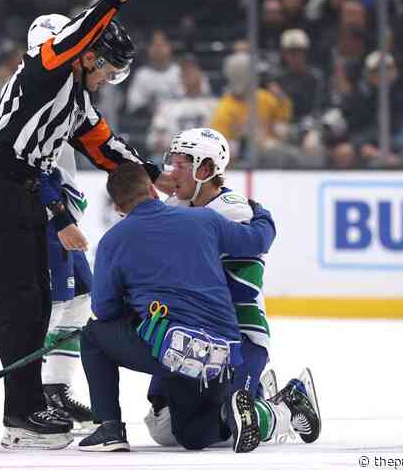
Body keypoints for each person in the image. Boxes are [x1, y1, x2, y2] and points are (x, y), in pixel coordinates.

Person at [0, 0, 172, 451]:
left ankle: (32, 400)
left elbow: (107, 149)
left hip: (24, 193)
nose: (109, 80)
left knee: (36, 303)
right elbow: (78, 35)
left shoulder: (76, 101)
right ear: (87, 56)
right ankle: (20, 413)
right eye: (110, 70)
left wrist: (157, 176)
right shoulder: (47, 71)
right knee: (16, 304)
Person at [77, 162, 276, 453]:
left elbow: (104, 310)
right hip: (223, 349)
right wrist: (261, 213)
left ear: (119, 207)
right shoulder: (204, 220)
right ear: (153, 191)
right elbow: (257, 239)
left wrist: (132, 307)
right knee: (192, 435)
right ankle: (266, 408)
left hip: (172, 350)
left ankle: (109, 428)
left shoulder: (113, 241)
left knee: (92, 335)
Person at [143, 128, 321, 450]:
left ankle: (287, 404)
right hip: (193, 338)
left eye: (181, 164)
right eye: (173, 163)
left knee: (232, 420)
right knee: (163, 428)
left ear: (206, 169)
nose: (171, 173)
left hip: (239, 337)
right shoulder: (179, 207)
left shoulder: (232, 210)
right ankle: (259, 395)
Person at [26, 13, 95, 431]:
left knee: (82, 298)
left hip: (63, 214)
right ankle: (31, 398)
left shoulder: (63, 96)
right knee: (48, 309)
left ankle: (54, 390)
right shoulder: (35, 93)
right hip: (47, 219)